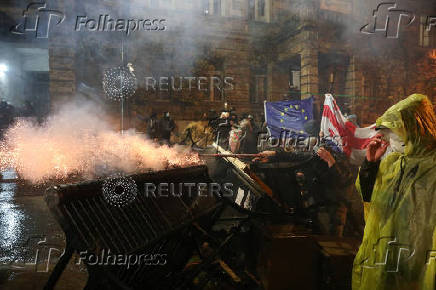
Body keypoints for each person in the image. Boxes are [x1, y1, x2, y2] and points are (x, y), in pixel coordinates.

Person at [352, 94, 436, 290]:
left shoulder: (432, 166)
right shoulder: (393, 163)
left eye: (395, 131)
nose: (390, 139)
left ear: (415, 129)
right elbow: (370, 198)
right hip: (386, 254)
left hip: (419, 259)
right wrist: (370, 164)